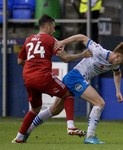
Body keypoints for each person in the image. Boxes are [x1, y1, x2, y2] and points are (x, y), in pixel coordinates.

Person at [24, 34, 123, 144]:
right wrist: (63, 42)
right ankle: (90, 136)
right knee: (99, 103)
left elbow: (117, 73)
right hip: (75, 77)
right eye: (122, 60)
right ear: (117, 56)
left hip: (73, 78)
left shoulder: (113, 63)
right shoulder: (99, 51)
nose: (122, 63)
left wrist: (118, 91)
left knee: (54, 110)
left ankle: (26, 132)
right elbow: (82, 37)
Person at [12, 15, 92, 143]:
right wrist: (82, 55)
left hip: (28, 78)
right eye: (53, 28)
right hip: (43, 76)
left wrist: (32, 64)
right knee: (68, 93)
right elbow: (65, 58)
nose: (54, 31)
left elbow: (20, 61)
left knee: (35, 109)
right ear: (47, 26)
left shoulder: (28, 39)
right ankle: (70, 126)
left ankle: (19, 137)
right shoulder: (51, 40)